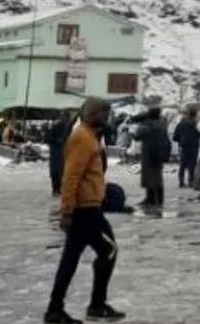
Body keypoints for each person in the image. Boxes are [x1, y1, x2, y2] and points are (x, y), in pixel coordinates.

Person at [45, 97, 124, 323]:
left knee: (70, 260)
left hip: (87, 207)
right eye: (104, 115)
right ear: (94, 115)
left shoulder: (90, 137)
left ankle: (55, 309)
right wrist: (67, 210)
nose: (107, 119)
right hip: (85, 211)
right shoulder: (82, 138)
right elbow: (71, 177)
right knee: (109, 252)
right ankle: (96, 305)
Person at [133, 107, 170, 208]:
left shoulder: (146, 125)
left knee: (149, 177)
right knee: (158, 177)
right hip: (160, 154)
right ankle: (160, 199)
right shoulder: (162, 125)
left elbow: (136, 137)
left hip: (148, 153)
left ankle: (151, 199)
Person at [46, 112, 73, 197]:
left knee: (63, 171)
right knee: (56, 171)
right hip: (56, 152)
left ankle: (60, 189)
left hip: (64, 152)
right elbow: (48, 138)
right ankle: (56, 189)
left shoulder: (70, 127)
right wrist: (57, 141)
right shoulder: (56, 126)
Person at [172, 109, 200, 189]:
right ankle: (191, 181)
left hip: (183, 146)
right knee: (192, 164)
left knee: (182, 164)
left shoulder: (181, 123)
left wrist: (181, 140)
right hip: (194, 146)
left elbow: (175, 136)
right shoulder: (196, 124)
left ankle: (181, 182)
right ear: (195, 115)